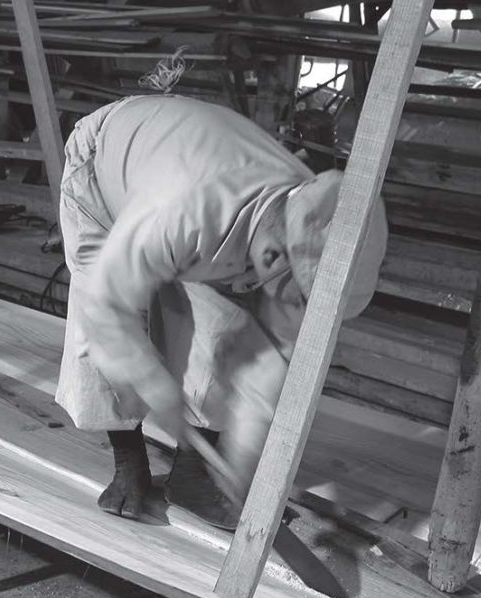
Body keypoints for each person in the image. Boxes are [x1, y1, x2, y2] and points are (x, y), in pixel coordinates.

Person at [55, 94, 388, 522]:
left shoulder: (316, 221)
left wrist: (241, 460)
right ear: (271, 257)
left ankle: (195, 475)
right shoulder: (184, 213)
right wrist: (157, 389)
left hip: (193, 170)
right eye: (292, 294)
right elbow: (107, 307)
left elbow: (268, 357)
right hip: (102, 163)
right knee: (109, 327)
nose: (293, 305)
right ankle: (128, 465)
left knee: (222, 323)